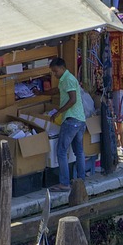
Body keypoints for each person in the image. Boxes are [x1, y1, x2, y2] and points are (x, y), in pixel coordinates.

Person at [48, 58, 85, 193]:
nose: (54, 74)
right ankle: (80, 181)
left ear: (62, 68)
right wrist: (42, 93)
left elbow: (73, 100)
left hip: (71, 120)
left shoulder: (68, 79)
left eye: (55, 71)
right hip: (80, 120)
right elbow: (57, 91)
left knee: (61, 152)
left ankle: (64, 183)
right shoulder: (66, 79)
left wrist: (58, 112)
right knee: (79, 151)